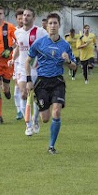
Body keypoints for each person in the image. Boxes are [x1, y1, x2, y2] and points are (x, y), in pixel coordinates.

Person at [25, 13, 76, 154]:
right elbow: (27, 61)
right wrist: (29, 80)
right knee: (45, 118)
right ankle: (38, 108)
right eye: (50, 23)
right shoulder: (39, 43)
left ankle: (51, 146)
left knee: (57, 112)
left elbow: (74, 66)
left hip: (58, 81)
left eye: (55, 23)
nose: (53, 26)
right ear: (47, 26)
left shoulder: (65, 45)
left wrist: (68, 61)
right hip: (41, 82)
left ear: (59, 25)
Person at [9, 8, 48, 136]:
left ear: (33, 18)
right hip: (21, 67)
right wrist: (12, 59)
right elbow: (18, 48)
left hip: (37, 68)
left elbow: (47, 46)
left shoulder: (40, 32)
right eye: (24, 15)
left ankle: (35, 119)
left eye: (28, 15)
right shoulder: (17, 32)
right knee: (23, 93)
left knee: (35, 96)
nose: (25, 17)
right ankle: (28, 125)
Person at [12, 9, 24, 119]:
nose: (21, 20)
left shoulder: (29, 31)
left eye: (22, 18)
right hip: (16, 62)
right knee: (17, 85)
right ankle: (19, 111)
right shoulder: (13, 31)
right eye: (19, 18)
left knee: (24, 87)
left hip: (27, 62)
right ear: (16, 19)